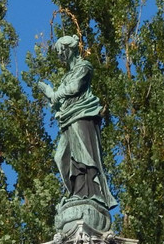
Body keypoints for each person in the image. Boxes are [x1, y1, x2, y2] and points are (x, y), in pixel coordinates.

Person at [38, 36, 118, 209]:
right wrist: (50, 93)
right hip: (69, 118)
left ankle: (88, 193)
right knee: (61, 157)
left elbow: (75, 88)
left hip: (82, 115)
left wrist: (54, 94)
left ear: (69, 49)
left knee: (83, 155)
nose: (60, 56)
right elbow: (62, 101)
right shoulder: (67, 75)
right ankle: (75, 192)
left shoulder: (84, 67)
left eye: (61, 51)